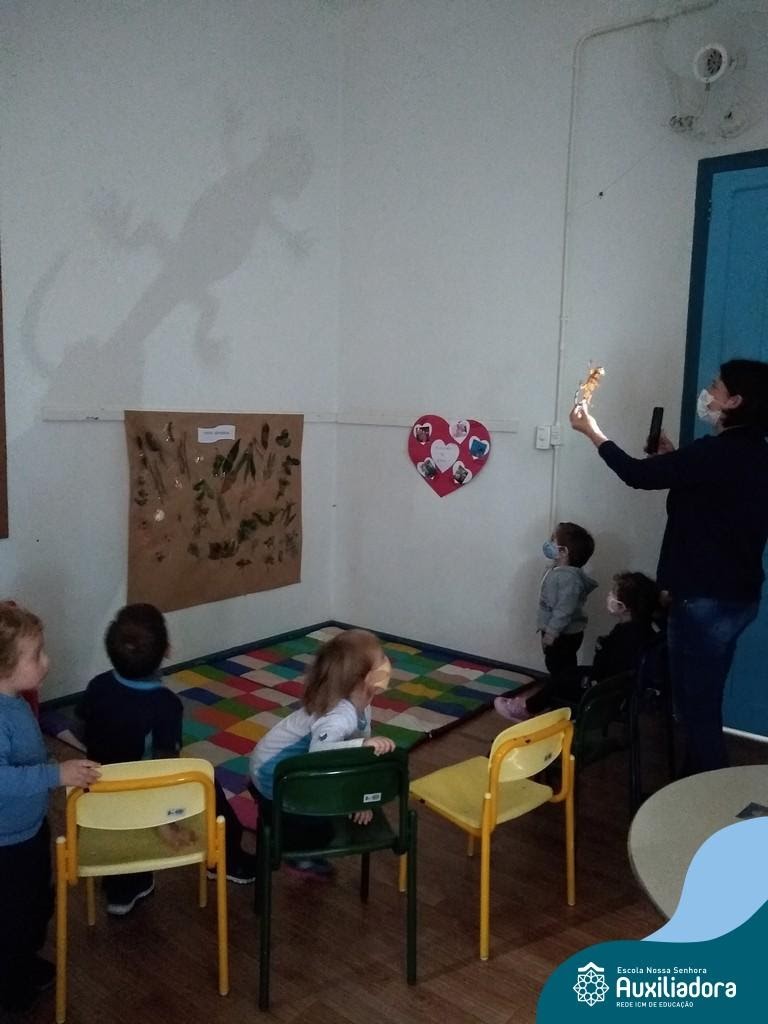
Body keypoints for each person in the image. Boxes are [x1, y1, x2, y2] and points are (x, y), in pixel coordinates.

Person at [569, 358, 768, 775]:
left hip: (703, 602)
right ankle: (696, 784)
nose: (707, 392)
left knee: (696, 712)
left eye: (716, 386)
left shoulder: (715, 452)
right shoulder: (754, 454)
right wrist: (675, 460)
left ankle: (705, 798)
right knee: (704, 700)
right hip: (739, 598)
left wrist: (592, 431)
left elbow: (636, 474)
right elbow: (715, 504)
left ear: (734, 401)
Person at [77, 603, 256, 915]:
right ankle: (227, 859)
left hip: (96, 798)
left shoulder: (98, 685)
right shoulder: (165, 704)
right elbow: (165, 763)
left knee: (123, 788)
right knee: (207, 781)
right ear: (167, 650)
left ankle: (122, 890)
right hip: (143, 800)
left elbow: (81, 729)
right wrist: (166, 823)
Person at [0, 601, 101, 1013]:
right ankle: (11, 986)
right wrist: (55, 774)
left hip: (29, 829)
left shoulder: (16, 700)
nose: (47, 661)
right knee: (14, 916)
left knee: (37, 903)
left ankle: (22, 963)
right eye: (37, 654)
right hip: (7, 844)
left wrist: (49, 768)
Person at [250, 628, 395, 880]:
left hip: (294, 769)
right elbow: (321, 754)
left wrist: (358, 798)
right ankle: (297, 853)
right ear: (363, 678)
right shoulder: (338, 716)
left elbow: (353, 759)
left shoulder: (362, 704)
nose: (387, 662)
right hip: (272, 775)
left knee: (331, 800)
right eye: (381, 658)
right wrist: (363, 745)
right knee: (322, 828)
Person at [495, 571, 659, 720]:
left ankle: (526, 709)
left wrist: (597, 659)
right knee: (567, 673)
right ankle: (535, 706)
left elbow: (609, 670)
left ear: (623, 607)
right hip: (613, 685)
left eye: (613, 593)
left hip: (605, 690)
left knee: (559, 682)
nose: (609, 595)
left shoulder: (627, 636)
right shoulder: (643, 627)